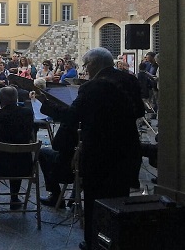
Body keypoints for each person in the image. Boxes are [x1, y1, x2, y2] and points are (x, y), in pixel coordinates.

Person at [38, 47, 145, 250]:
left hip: (99, 155)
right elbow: (139, 110)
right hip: (127, 150)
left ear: (94, 64)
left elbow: (71, 117)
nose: (85, 70)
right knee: (119, 199)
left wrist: (47, 105)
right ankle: (117, 240)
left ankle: (93, 243)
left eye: (86, 65)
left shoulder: (91, 87)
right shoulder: (129, 80)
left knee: (95, 201)